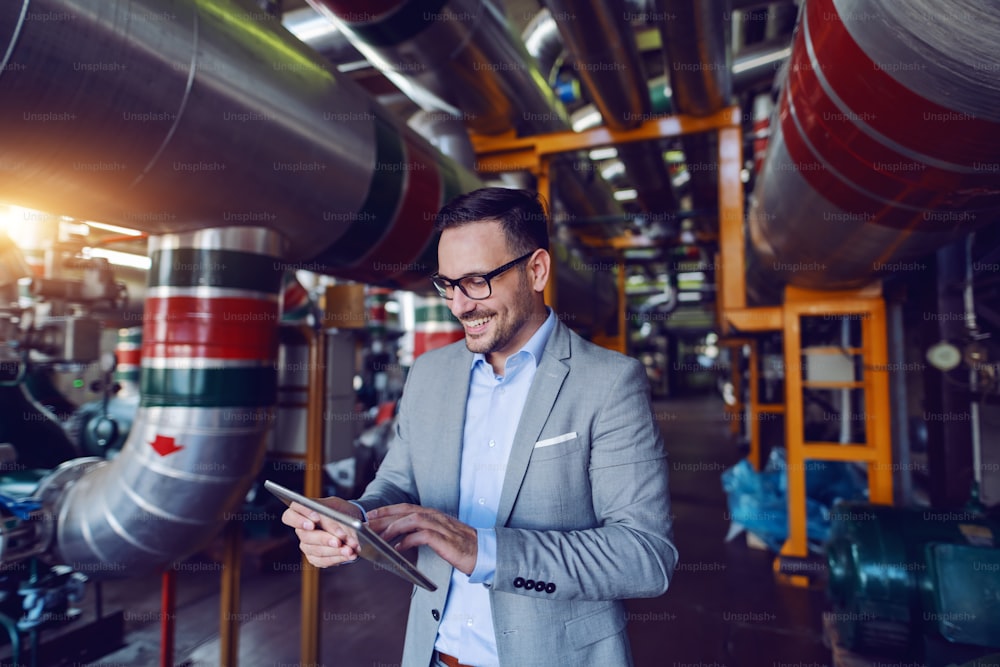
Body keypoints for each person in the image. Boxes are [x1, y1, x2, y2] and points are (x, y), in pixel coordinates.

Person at [281, 187, 677, 667]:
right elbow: (397, 485)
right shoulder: (429, 374)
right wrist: (352, 518)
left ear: (536, 270)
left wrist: (482, 549)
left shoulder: (609, 383)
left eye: (475, 281)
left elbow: (645, 556)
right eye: (447, 284)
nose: (459, 306)